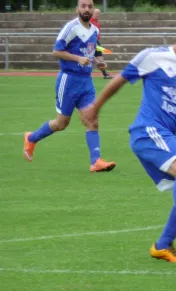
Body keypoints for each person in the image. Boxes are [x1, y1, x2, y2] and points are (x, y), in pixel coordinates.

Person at [85, 13, 176, 263]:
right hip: (147, 131)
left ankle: (162, 246)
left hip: (165, 135)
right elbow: (119, 81)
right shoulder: (152, 56)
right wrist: (95, 107)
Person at [23, 0, 116, 173]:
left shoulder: (94, 30)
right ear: (77, 9)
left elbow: (93, 49)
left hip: (86, 82)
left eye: (90, 6)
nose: (87, 9)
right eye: (83, 6)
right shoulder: (70, 27)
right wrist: (77, 59)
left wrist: (99, 62)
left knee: (92, 120)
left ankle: (96, 162)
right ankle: (32, 138)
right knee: (61, 123)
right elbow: (56, 51)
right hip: (69, 80)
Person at [90, 8, 113, 79]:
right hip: (91, 41)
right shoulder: (89, 22)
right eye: (96, 13)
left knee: (100, 58)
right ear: (92, 13)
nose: (98, 15)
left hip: (97, 41)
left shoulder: (97, 22)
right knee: (90, 56)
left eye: (99, 14)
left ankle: (105, 74)